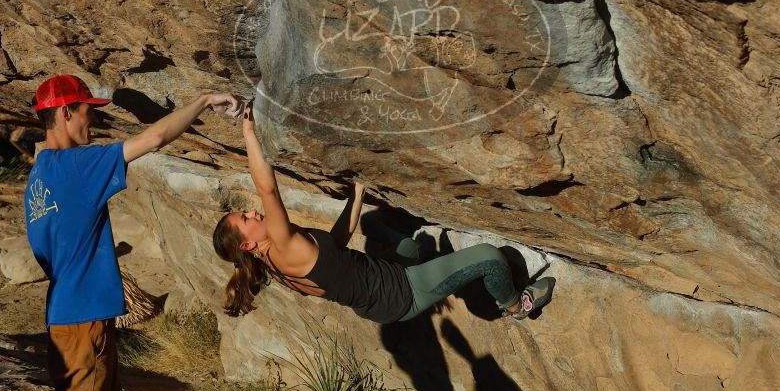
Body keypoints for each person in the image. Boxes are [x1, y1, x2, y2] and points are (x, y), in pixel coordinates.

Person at [212, 101, 555, 324]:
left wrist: (357, 192)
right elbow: (267, 188)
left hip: (377, 294)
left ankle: (420, 259)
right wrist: (249, 130)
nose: (254, 213)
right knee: (490, 258)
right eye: (246, 219)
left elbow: (334, 243)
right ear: (246, 246)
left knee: (408, 246)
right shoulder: (281, 248)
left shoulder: (275, 261)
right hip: (402, 293)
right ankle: (515, 306)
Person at [24, 74, 242, 391]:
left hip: (65, 315)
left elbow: (44, 250)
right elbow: (154, 137)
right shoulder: (79, 165)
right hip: (84, 317)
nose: (93, 118)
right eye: (86, 110)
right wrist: (203, 101)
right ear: (65, 113)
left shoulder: (38, 176)